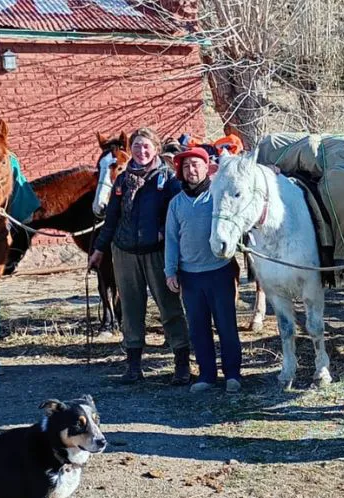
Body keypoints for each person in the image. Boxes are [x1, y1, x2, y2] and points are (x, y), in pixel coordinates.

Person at [89, 127, 191, 385]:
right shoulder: (122, 180)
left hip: (157, 253)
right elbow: (111, 218)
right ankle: (133, 366)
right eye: (136, 147)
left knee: (169, 308)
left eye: (146, 146)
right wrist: (99, 249)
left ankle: (181, 364)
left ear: (155, 148)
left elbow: (177, 215)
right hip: (124, 252)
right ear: (130, 149)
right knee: (131, 310)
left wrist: (162, 233)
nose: (141, 151)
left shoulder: (168, 179)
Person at [164, 147, 242, 393]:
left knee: (226, 325)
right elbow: (171, 239)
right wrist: (170, 271)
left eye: (196, 165)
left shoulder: (217, 196)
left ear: (207, 167)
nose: (191, 170)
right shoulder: (176, 203)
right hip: (190, 277)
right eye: (186, 166)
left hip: (219, 271)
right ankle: (207, 375)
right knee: (198, 329)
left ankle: (233, 375)